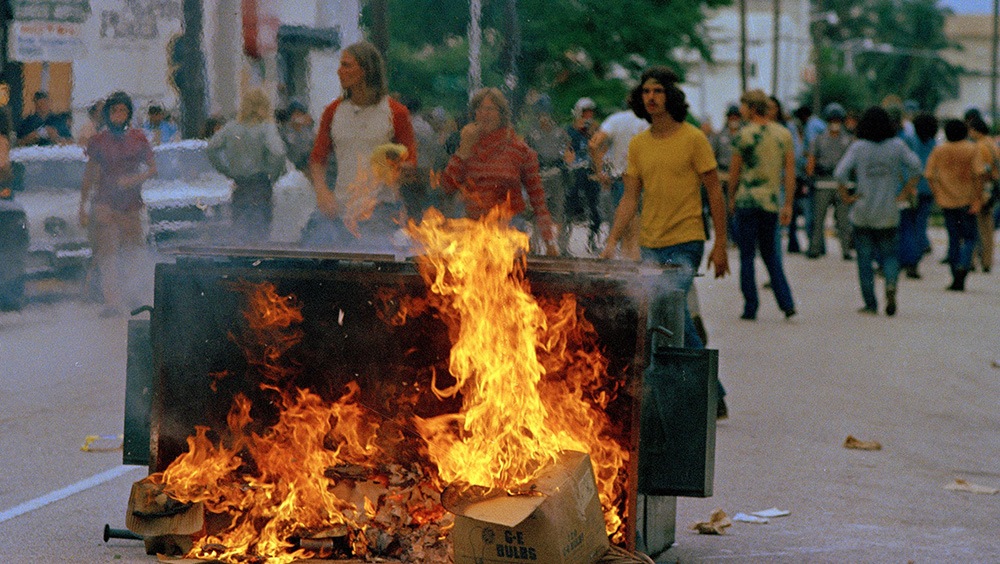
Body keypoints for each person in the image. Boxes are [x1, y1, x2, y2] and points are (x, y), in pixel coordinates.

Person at [599, 66, 729, 417]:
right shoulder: (639, 145)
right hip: (650, 242)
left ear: (670, 96)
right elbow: (629, 198)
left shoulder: (693, 139)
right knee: (663, 312)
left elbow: (715, 192)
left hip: (686, 239)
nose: (651, 97)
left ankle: (708, 391)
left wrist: (720, 245)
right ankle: (701, 390)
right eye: (646, 92)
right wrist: (612, 241)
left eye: (657, 91)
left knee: (671, 304)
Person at [303, 41, 417, 252]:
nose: (339, 71)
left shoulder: (396, 112)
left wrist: (401, 169)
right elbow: (317, 159)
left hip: (381, 210)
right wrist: (322, 192)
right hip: (339, 208)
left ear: (366, 70)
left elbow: (411, 161)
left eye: (346, 65)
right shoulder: (333, 111)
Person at [441, 87, 558, 255]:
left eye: (490, 109)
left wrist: (549, 242)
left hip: (509, 230)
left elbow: (538, 199)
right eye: (479, 109)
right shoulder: (468, 145)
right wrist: (463, 150)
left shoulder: (519, 150)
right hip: (470, 228)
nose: (484, 114)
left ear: (502, 114)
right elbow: (447, 186)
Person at [834, 106, 921, 315]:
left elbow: (840, 174)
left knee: (864, 259)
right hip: (888, 210)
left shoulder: (859, 147)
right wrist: (906, 191)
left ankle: (870, 303)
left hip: (863, 210)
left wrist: (846, 196)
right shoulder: (897, 146)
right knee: (890, 255)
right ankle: (890, 286)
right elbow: (916, 166)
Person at [77, 91, 157, 318]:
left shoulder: (138, 138)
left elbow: (153, 168)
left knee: (133, 252)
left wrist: (133, 180)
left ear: (129, 113)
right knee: (108, 254)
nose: (119, 115)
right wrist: (82, 205)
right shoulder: (99, 141)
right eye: (115, 111)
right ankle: (112, 301)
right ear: (108, 114)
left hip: (131, 206)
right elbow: (90, 173)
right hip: (105, 204)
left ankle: (133, 294)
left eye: (123, 111)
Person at [727, 89, 796, 320]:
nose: (741, 111)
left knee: (747, 256)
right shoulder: (782, 134)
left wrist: (730, 199)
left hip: (747, 201)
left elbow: (734, 172)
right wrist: (788, 204)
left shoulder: (743, 135)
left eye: (744, 106)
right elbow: (789, 173)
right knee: (770, 254)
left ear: (751, 108)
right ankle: (786, 303)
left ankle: (750, 306)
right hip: (770, 203)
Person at [206, 88, 287, 244]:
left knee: (240, 232)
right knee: (261, 233)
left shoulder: (231, 127)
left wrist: (226, 170)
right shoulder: (266, 127)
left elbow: (211, 148)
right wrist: (273, 175)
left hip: (240, 186)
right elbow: (278, 152)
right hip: (260, 185)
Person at [925, 119, 983, 292]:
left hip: (947, 201)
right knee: (970, 237)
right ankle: (963, 265)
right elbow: (979, 174)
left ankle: (954, 272)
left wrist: (938, 193)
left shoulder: (939, 150)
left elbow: (928, 174)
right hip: (967, 199)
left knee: (953, 238)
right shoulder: (972, 149)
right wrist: (978, 199)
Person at [588, 102, 648, 260]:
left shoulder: (615, 120)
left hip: (621, 180)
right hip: (646, 180)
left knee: (626, 228)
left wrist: (600, 171)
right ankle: (632, 267)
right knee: (636, 229)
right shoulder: (649, 121)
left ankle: (627, 266)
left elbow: (593, 144)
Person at [523, 94, 571, 254]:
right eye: (541, 113)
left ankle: (561, 247)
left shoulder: (559, 133)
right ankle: (534, 246)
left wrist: (567, 157)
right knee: (537, 211)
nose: (543, 117)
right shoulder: (532, 133)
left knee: (558, 211)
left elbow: (568, 152)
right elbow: (525, 153)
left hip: (556, 174)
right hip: (538, 174)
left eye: (546, 113)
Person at [806, 102, 853, 259]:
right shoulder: (819, 139)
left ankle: (846, 250)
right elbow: (811, 161)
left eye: (838, 120)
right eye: (832, 120)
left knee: (843, 220)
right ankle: (815, 248)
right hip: (823, 181)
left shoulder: (848, 139)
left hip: (841, 183)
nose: (835, 123)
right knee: (818, 218)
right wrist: (810, 176)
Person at [899, 112, 938, 279]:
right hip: (927, 189)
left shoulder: (909, 140)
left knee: (907, 225)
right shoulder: (933, 143)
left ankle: (908, 260)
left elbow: (903, 166)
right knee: (920, 226)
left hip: (911, 189)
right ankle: (914, 260)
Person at [565, 97, 602, 253]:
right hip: (575, 172)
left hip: (591, 172)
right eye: (585, 113)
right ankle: (564, 241)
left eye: (590, 113)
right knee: (570, 205)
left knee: (595, 207)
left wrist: (593, 135)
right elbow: (566, 151)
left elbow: (601, 151)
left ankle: (593, 239)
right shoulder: (570, 130)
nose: (588, 116)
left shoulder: (595, 130)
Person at [967, 115, 996, 274]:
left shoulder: (980, 147)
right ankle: (987, 260)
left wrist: (978, 194)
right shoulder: (993, 144)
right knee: (988, 227)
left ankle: (973, 260)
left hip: (983, 189)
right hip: (993, 189)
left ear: (975, 131)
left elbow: (982, 171)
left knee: (978, 226)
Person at [278, 100, 315, 176]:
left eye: (301, 114)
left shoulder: (307, 130)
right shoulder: (285, 131)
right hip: (292, 168)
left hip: (308, 167)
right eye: (296, 114)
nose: (298, 117)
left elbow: (312, 146)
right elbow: (291, 152)